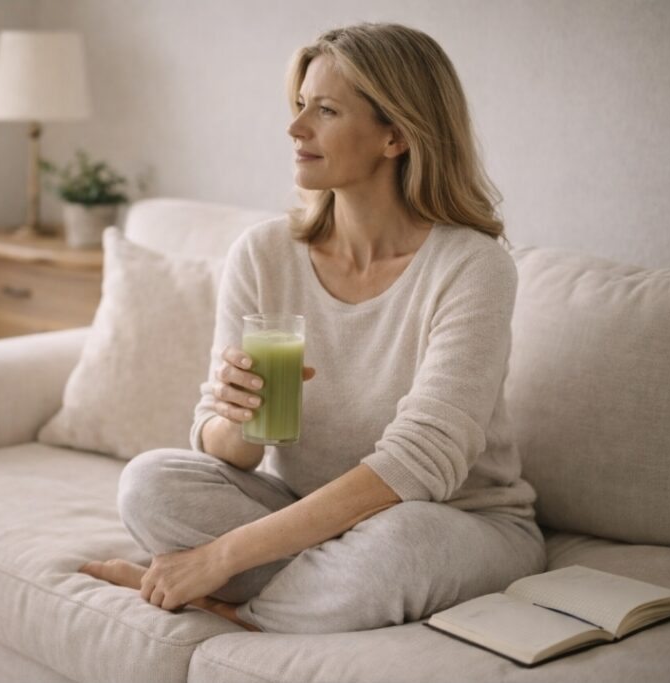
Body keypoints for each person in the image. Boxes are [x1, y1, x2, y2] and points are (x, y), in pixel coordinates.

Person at [80, 22, 546, 634]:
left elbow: (418, 467)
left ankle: (228, 605)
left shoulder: (472, 267)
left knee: (398, 544)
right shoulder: (263, 254)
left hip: (455, 520)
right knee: (149, 483)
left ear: (397, 135)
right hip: (302, 508)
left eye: (325, 110)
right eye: (300, 106)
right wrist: (239, 416)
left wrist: (219, 558)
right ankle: (316, 597)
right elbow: (226, 449)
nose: (295, 128)